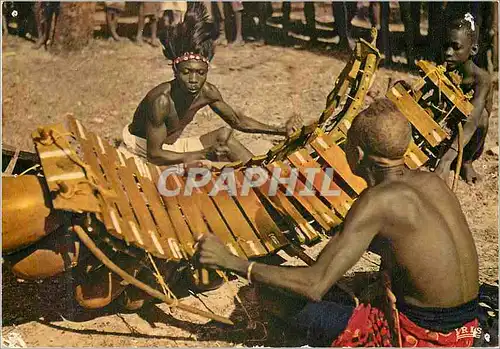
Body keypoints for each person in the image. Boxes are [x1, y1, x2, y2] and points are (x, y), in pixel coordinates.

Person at [195, 98, 481, 347]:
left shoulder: (377, 202)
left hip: (428, 337)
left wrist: (234, 263)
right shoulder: (432, 181)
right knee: (347, 286)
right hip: (470, 323)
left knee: (271, 294)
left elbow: (314, 285)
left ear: (356, 155)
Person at [121, 3, 301, 166]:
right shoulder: (161, 101)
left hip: (170, 148)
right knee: (200, 166)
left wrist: (280, 130)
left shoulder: (207, 92)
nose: (193, 79)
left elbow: (237, 121)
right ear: (175, 72)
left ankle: (261, 175)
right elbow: (155, 155)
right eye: (186, 72)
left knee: (224, 135)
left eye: (200, 73)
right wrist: (203, 154)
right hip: (141, 152)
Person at [434, 13, 493, 184]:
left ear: (473, 50)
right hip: (450, 129)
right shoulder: (446, 67)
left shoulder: (482, 79)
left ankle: (466, 161)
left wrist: (446, 162)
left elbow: (473, 120)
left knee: (482, 118)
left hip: (471, 135)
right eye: (446, 46)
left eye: (455, 47)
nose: (448, 53)